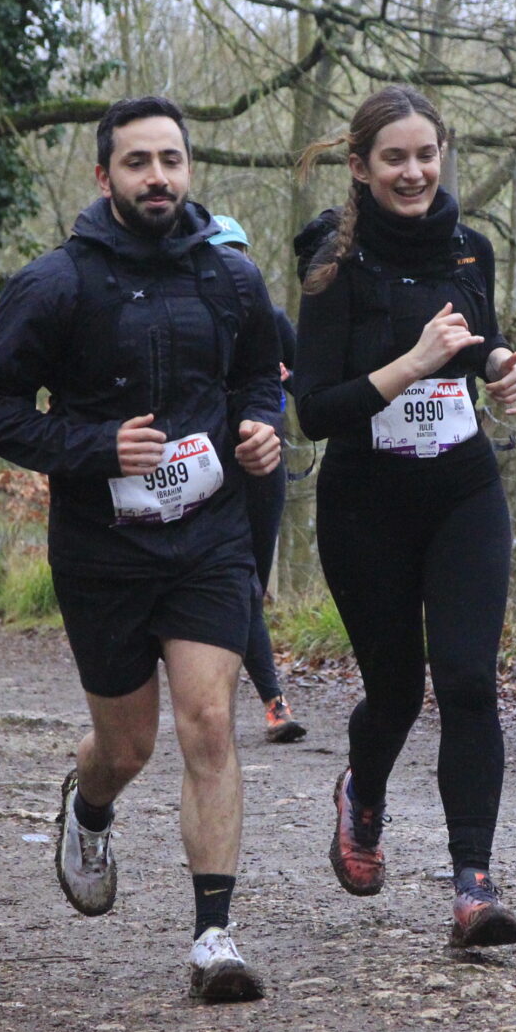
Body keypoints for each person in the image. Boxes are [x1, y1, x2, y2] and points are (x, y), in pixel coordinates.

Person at [0, 97, 286, 1001]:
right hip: (101, 549)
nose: (158, 177)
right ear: (104, 176)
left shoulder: (231, 276)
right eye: (138, 162)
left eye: (171, 161)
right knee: (128, 745)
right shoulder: (54, 284)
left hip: (209, 538)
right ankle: (91, 803)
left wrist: (259, 427)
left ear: (190, 171)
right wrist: (96, 447)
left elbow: (260, 377)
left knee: (209, 721)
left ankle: (214, 938)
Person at [290, 84, 516, 949]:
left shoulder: (471, 249)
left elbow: (479, 340)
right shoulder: (332, 266)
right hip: (366, 504)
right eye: (394, 158)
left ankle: (474, 884)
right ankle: (362, 793)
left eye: (426, 155)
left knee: (467, 680)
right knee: (396, 691)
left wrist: (499, 368)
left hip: (462, 491)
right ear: (360, 167)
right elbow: (313, 411)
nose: (414, 172)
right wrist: (413, 364)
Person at [206, 215, 306, 744]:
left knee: (250, 586)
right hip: (204, 474)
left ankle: (240, 701)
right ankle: (269, 701)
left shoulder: (272, 320)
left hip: (264, 470)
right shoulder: (189, 321)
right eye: (222, 253)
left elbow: (313, 386)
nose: (233, 263)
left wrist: (285, 382)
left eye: (239, 253)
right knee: (232, 585)